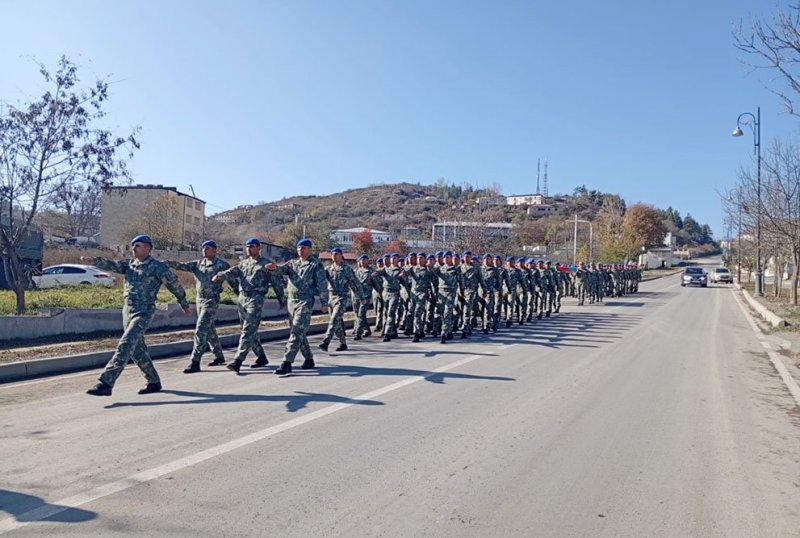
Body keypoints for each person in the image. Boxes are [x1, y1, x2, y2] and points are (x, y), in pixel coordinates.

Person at [84, 235, 191, 396]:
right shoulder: (129, 265)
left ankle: (106, 382)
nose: (134, 248)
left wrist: (184, 303)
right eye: (133, 246)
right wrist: (94, 261)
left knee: (126, 343)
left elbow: (174, 284)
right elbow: (112, 265)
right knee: (137, 349)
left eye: (138, 246)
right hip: (127, 311)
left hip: (144, 311)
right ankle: (153, 381)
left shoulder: (157, 267)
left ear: (148, 248)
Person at [212, 238, 285, 374]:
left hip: (256, 299)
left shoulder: (266, 264)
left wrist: (282, 299)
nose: (249, 249)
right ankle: (261, 357)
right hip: (242, 299)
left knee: (247, 330)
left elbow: (276, 283)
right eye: (247, 247)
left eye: (251, 246)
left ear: (259, 248)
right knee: (249, 331)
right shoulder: (243, 264)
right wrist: (220, 275)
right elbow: (232, 272)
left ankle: (238, 360)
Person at [165, 240, 234, 373]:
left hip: (212, 300)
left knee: (201, 328)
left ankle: (195, 361)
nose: (204, 250)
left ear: (214, 250)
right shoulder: (198, 264)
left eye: (207, 248)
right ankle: (219, 356)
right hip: (199, 300)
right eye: (202, 248)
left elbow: (232, 278)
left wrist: (240, 295)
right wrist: (168, 263)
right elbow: (181, 266)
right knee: (209, 329)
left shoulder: (221, 264)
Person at [266, 238, 329, 375]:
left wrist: (324, 303)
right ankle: (309, 359)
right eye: (299, 248)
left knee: (296, 331)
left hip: (305, 301)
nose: (301, 250)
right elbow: (282, 270)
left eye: (304, 248)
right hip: (292, 301)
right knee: (298, 332)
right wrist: (274, 268)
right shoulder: (293, 263)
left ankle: (287, 362)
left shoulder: (315, 264)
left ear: (310, 249)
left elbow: (322, 284)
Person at [320, 247, 366, 352]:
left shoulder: (347, 269)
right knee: (338, 323)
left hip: (341, 297)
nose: (334, 256)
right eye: (332, 254)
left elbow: (355, 284)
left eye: (336, 254)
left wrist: (361, 297)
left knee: (334, 319)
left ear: (341, 256)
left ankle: (326, 341)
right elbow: (320, 281)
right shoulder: (328, 269)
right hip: (331, 297)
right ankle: (343, 343)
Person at [353, 254, 375, 340]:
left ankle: (358, 333)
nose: (362, 261)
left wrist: (380, 293)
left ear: (367, 261)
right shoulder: (356, 271)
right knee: (359, 314)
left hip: (366, 295)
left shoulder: (371, 271)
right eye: (361, 260)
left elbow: (376, 283)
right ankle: (367, 330)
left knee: (361, 314)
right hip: (357, 295)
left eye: (364, 260)